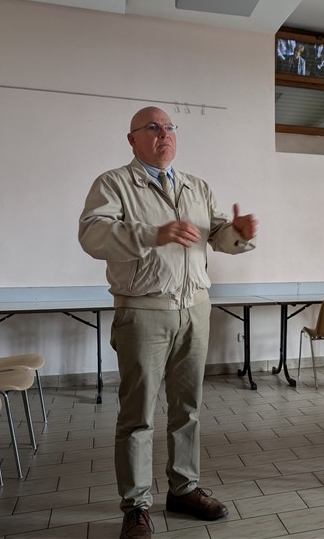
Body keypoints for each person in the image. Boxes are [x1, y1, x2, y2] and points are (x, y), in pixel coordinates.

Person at [78, 106, 258, 539]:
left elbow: (217, 234)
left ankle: (183, 488)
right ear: (132, 139)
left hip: (195, 307)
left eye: (171, 128)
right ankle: (136, 506)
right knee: (138, 413)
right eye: (154, 128)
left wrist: (240, 234)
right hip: (143, 309)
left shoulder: (196, 186)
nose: (165, 135)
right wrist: (150, 233)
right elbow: (92, 235)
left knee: (188, 408)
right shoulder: (114, 183)